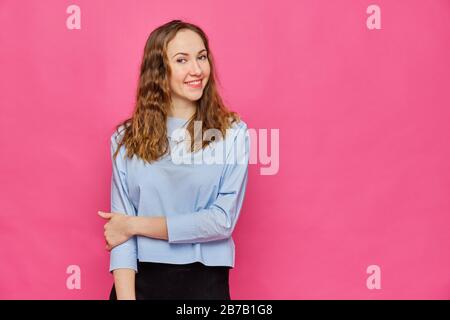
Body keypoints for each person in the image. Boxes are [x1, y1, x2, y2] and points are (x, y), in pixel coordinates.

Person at [97, 19, 250, 300]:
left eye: (201, 57)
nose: (196, 70)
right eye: (182, 60)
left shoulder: (232, 134)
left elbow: (221, 221)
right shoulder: (124, 138)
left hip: (205, 285)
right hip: (139, 284)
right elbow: (121, 240)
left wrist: (134, 224)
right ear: (159, 70)